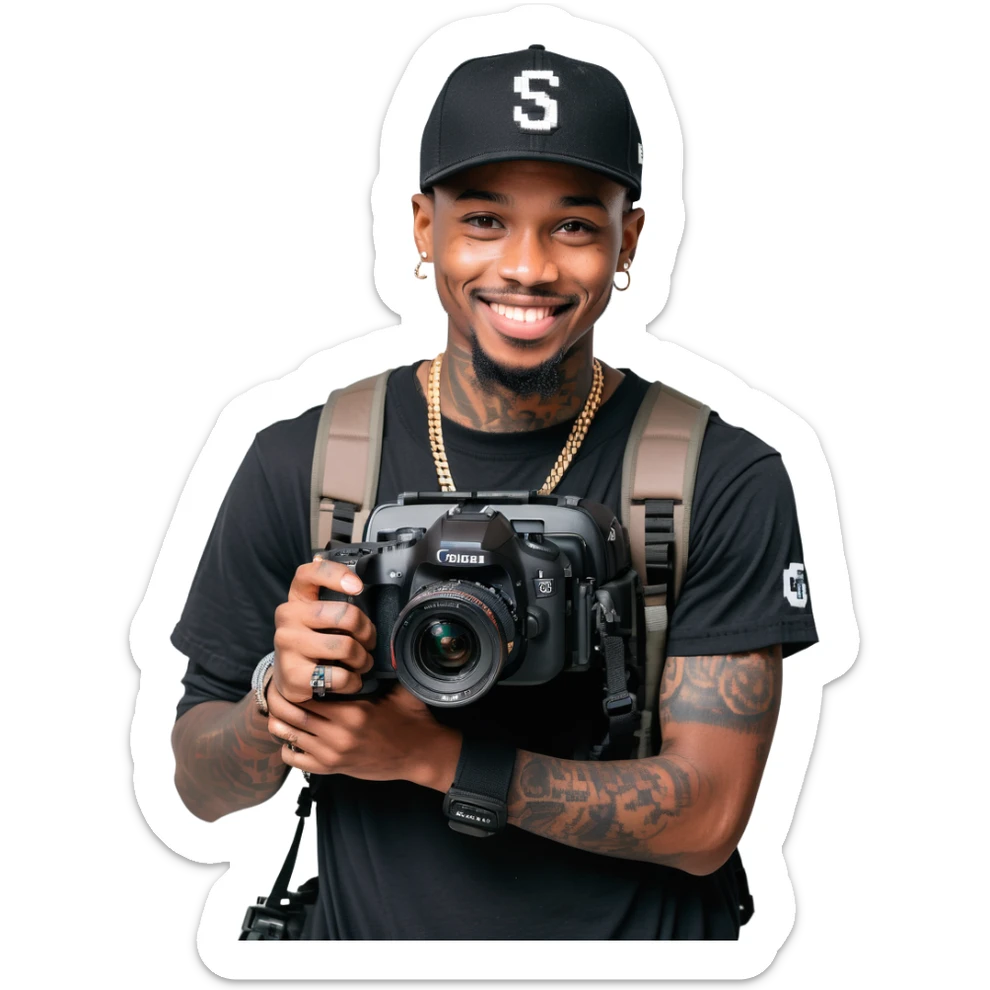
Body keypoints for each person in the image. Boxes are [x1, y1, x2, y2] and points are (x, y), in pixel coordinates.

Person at [169, 41, 818, 943]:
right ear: (421, 225)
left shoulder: (716, 476)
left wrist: (431, 758)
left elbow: (708, 821)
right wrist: (277, 704)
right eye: (483, 219)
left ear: (628, 239)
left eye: (574, 225)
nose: (527, 267)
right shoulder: (307, 462)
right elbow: (199, 788)